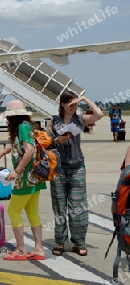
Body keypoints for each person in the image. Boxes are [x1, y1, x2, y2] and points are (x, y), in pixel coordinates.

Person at [0, 100, 47, 261]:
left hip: (25, 179)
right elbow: (17, 146)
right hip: (34, 178)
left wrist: (16, 171)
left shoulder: (21, 127)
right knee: (32, 212)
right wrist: (0, 155)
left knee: (13, 211)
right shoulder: (27, 126)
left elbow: (29, 150)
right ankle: (38, 249)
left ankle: (21, 249)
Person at [47, 92, 103, 257]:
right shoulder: (53, 120)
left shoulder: (80, 119)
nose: (74, 107)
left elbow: (99, 114)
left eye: (75, 104)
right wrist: (56, 141)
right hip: (58, 168)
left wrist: (85, 99)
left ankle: (79, 242)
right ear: (62, 104)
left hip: (77, 167)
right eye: (70, 104)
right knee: (59, 207)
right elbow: (45, 141)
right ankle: (61, 242)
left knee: (78, 207)